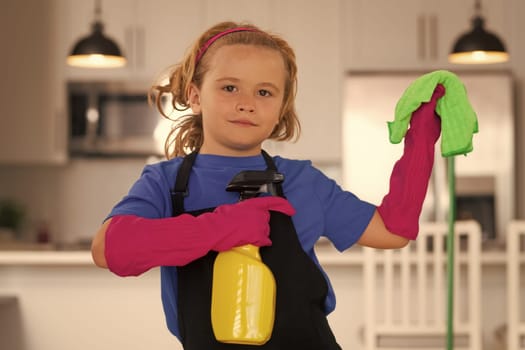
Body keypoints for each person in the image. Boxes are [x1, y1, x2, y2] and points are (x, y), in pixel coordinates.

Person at [91, 21, 443, 349]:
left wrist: (421, 142)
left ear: (281, 109)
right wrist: (221, 227)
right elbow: (110, 249)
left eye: (265, 92)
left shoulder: (303, 180)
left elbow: (393, 231)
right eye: (229, 87)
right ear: (195, 96)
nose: (246, 104)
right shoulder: (165, 182)